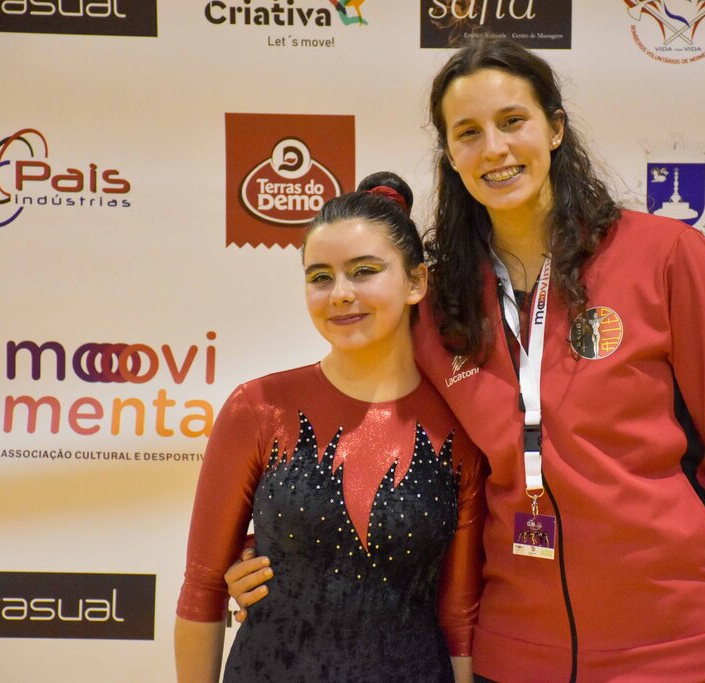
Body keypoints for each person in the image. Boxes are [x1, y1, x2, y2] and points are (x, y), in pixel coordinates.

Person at [225, 38, 705, 682]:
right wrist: (289, 546)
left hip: (683, 650)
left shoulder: (665, 255)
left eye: (513, 121)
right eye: (468, 133)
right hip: (514, 657)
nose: (495, 149)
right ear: (450, 154)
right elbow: (379, 430)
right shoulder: (437, 302)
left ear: (555, 128)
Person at [174, 172, 486, 683]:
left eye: (364, 271)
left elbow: (460, 619)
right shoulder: (258, 409)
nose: (340, 293)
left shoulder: (461, 427)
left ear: (415, 282)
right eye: (320, 276)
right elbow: (202, 589)